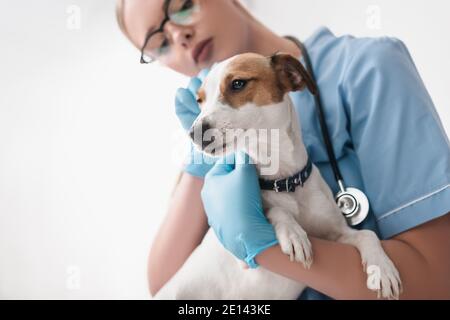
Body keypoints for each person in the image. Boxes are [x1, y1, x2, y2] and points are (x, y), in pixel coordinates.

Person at [116, 0, 450, 299]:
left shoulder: (368, 70)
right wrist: (201, 159)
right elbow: (167, 286)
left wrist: (268, 249)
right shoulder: (214, 143)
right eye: (159, 45)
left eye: (182, 5)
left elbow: (438, 281)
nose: (178, 36)